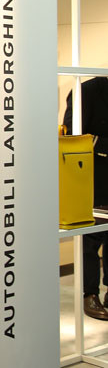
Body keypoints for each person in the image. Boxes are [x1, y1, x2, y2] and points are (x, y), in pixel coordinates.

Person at [64, 79, 108, 320]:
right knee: (90, 239)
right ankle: (89, 294)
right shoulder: (86, 90)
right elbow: (71, 134)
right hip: (89, 177)